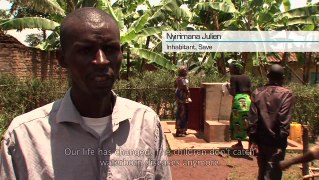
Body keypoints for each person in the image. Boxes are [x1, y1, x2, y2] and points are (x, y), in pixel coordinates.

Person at [0, 7, 172, 180]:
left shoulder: (146, 124)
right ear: (62, 59)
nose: (102, 61)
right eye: (86, 50)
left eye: (111, 49)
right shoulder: (23, 138)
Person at [248, 64, 295, 180]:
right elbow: (283, 120)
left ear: (268, 76)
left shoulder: (256, 92)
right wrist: (281, 143)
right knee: (272, 175)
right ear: (282, 78)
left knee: (262, 172)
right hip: (276, 142)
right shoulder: (287, 94)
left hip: (260, 141)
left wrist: (253, 141)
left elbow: (252, 119)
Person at [227, 61, 251, 149]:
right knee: (248, 122)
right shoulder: (247, 77)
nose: (230, 70)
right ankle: (251, 145)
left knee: (236, 122)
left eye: (231, 69)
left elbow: (233, 92)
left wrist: (227, 87)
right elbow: (250, 91)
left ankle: (239, 143)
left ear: (234, 69)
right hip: (248, 100)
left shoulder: (233, 78)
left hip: (238, 101)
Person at [175, 66, 191, 137]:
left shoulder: (183, 79)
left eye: (186, 70)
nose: (186, 71)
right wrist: (188, 92)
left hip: (184, 98)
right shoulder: (180, 79)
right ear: (181, 71)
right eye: (184, 70)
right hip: (181, 98)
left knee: (184, 114)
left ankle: (183, 130)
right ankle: (179, 131)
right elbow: (184, 87)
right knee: (181, 114)